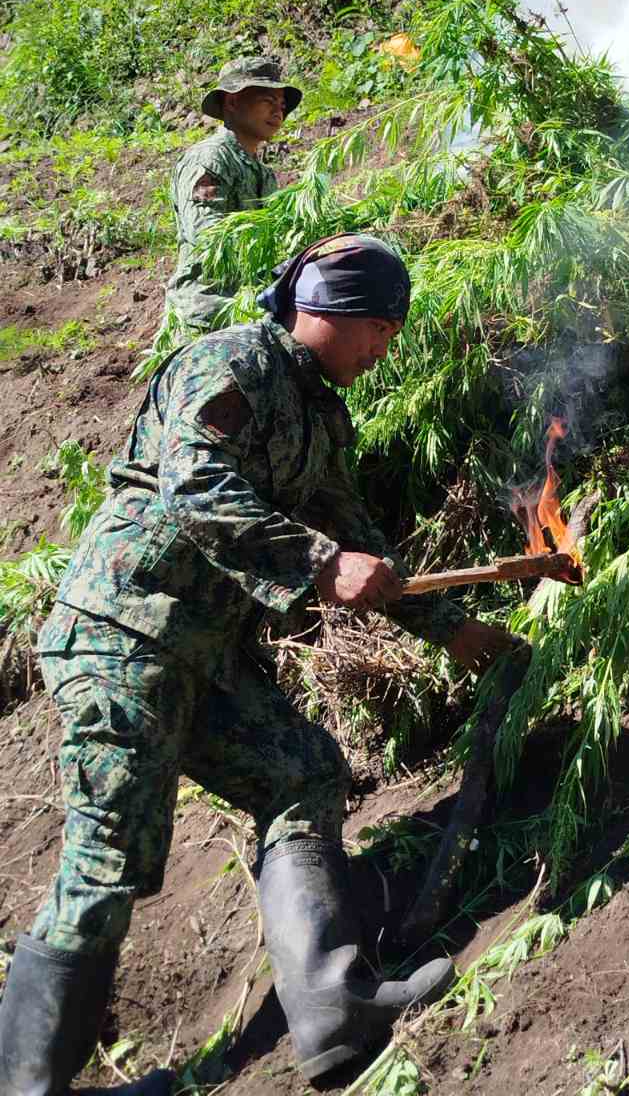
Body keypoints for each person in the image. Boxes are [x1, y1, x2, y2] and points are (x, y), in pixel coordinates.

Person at [0, 234, 522, 1094]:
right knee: (106, 856)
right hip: (123, 635)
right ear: (333, 310)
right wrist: (319, 565)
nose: (385, 348)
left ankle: (334, 1008)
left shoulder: (317, 413)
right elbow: (197, 484)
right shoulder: (234, 362)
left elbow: (359, 541)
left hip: (202, 653)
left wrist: (452, 629)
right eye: (381, 328)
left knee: (300, 771)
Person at [164, 56, 300, 332]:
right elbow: (207, 235)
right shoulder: (210, 159)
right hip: (207, 314)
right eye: (267, 101)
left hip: (246, 311)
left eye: (282, 106)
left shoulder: (262, 173)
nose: (278, 113)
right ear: (232, 102)